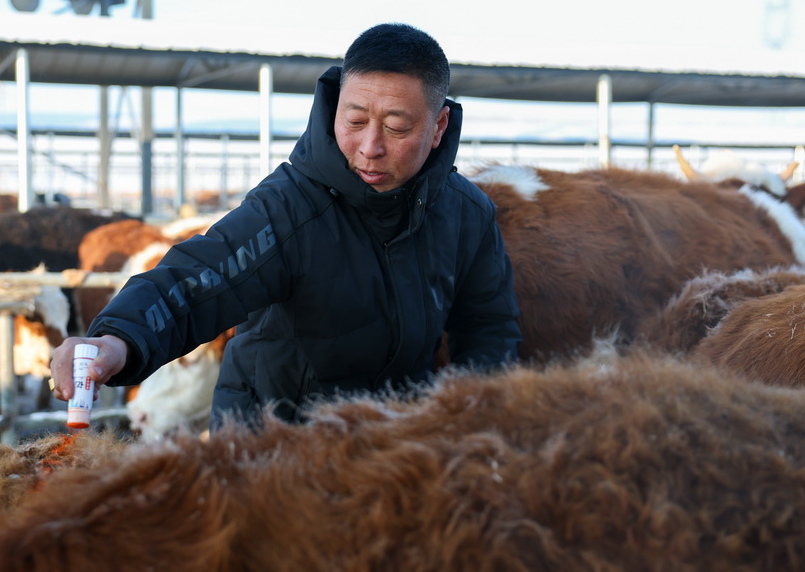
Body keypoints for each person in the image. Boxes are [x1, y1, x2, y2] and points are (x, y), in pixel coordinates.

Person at [51, 22, 521, 428]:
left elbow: (489, 330)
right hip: (274, 448)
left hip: (392, 451)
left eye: (397, 128)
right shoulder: (291, 206)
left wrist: (465, 423)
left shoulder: (467, 215)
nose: (369, 146)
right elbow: (197, 280)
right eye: (355, 120)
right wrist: (118, 339)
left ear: (438, 127)